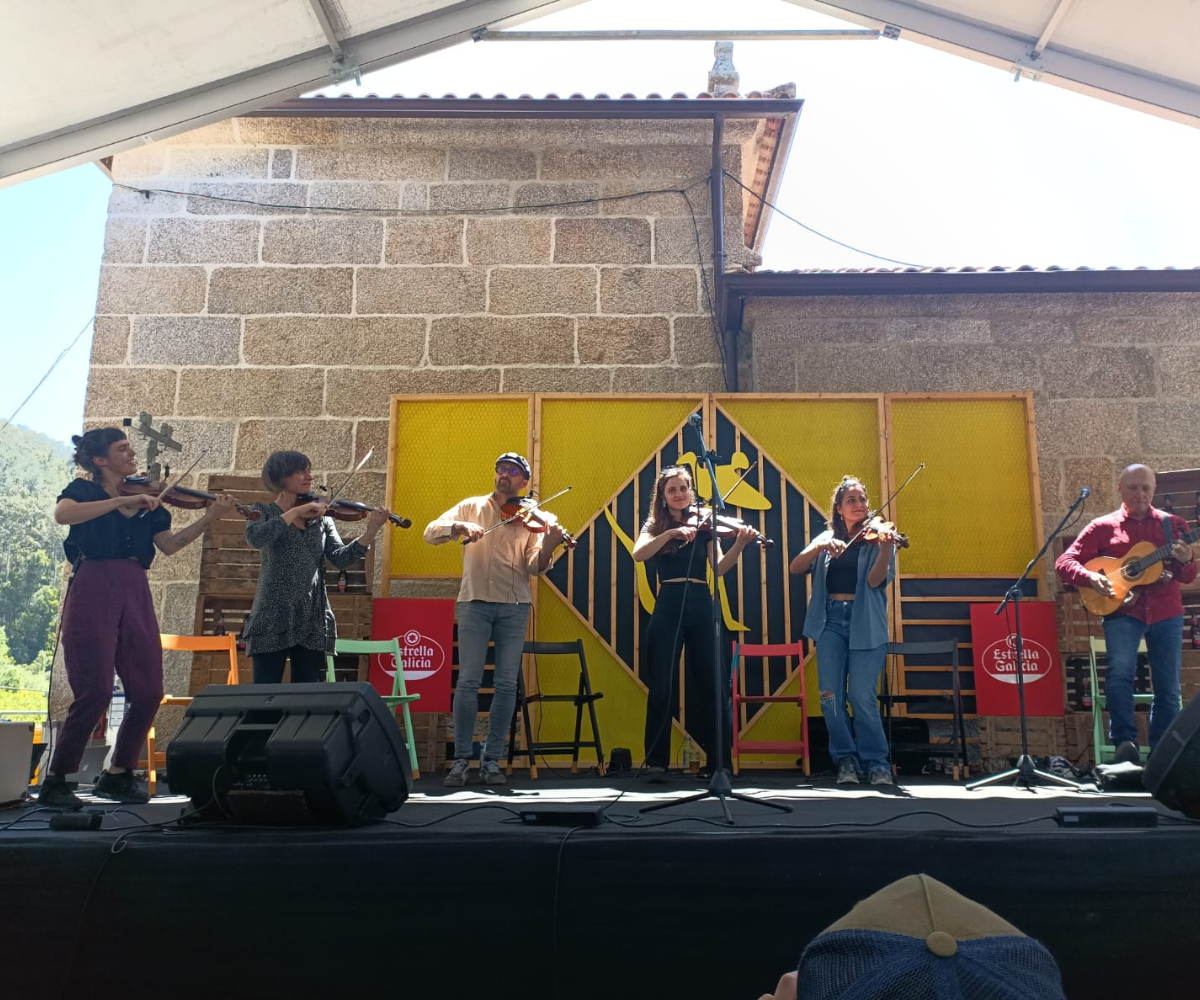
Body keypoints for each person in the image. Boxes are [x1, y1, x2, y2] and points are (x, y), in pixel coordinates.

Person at [39, 428, 235, 809]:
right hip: (93, 583)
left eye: (130, 447)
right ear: (100, 460)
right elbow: (63, 515)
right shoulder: (84, 491)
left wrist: (210, 517)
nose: (131, 453)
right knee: (95, 690)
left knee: (148, 690)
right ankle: (57, 779)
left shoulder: (151, 504)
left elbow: (171, 546)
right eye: (122, 448)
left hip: (134, 587)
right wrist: (120, 502)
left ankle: (119, 773)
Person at [424, 452, 562, 787]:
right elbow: (430, 532)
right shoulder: (471, 506)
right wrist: (459, 526)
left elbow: (534, 567)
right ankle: (461, 760)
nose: (504, 474)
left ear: (524, 481)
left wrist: (549, 546)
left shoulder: (531, 515)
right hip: (474, 602)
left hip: (514, 605)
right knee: (468, 681)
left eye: (513, 471)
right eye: (501, 469)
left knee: (505, 684)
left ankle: (492, 760)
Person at [1055, 464, 1196, 763]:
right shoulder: (1102, 527)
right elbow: (1065, 562)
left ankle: (1161, 755)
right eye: (1133, 487)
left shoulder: (1174, 525)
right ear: (1120, 488)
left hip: (1167, 612)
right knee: (1120, 676)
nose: (1140, 494)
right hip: (1122, 612)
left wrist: (1187, 559)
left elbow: (1187, 576)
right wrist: (1090, 578)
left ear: (1154, 489)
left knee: (1168, 686)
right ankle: (1124, 745)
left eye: (1146, 488)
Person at [632, 465, 756, 781]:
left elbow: (720, 568)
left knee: (714, 684)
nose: (679, 494)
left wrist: (740, 545)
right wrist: (670, 534)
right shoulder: (654, 525)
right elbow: (639, 554)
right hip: (668, 602)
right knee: (661, 685)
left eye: (683, 488)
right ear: (662, 496)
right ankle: (657, 762)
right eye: (672, 489)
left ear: (690, 491)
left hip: (701, 603)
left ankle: (719, 764)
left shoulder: (704, 524)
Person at [242, 451, 389, 684]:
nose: (309, 477)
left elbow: (341, 558)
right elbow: (256, 538)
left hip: (311, 615)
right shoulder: (263, 511)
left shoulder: (322, 517)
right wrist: (296, 511)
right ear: (281, 477)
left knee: (306, 694)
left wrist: (372, 530)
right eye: (301, 471)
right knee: (265, 692)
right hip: (273, 613)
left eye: (309, 471)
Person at [789, 476, 898, 786]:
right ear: (839, 509)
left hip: (866, 622)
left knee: (861, 696)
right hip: (831, 621)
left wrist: (886, 550)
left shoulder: (879, 536)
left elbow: (875, 581)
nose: (859, 504)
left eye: (862, 499)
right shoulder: (826, 539)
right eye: (851, 500)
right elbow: (796, 567)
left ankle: (876, 762)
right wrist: (820, 545)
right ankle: (846, 759)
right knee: (830, 696)